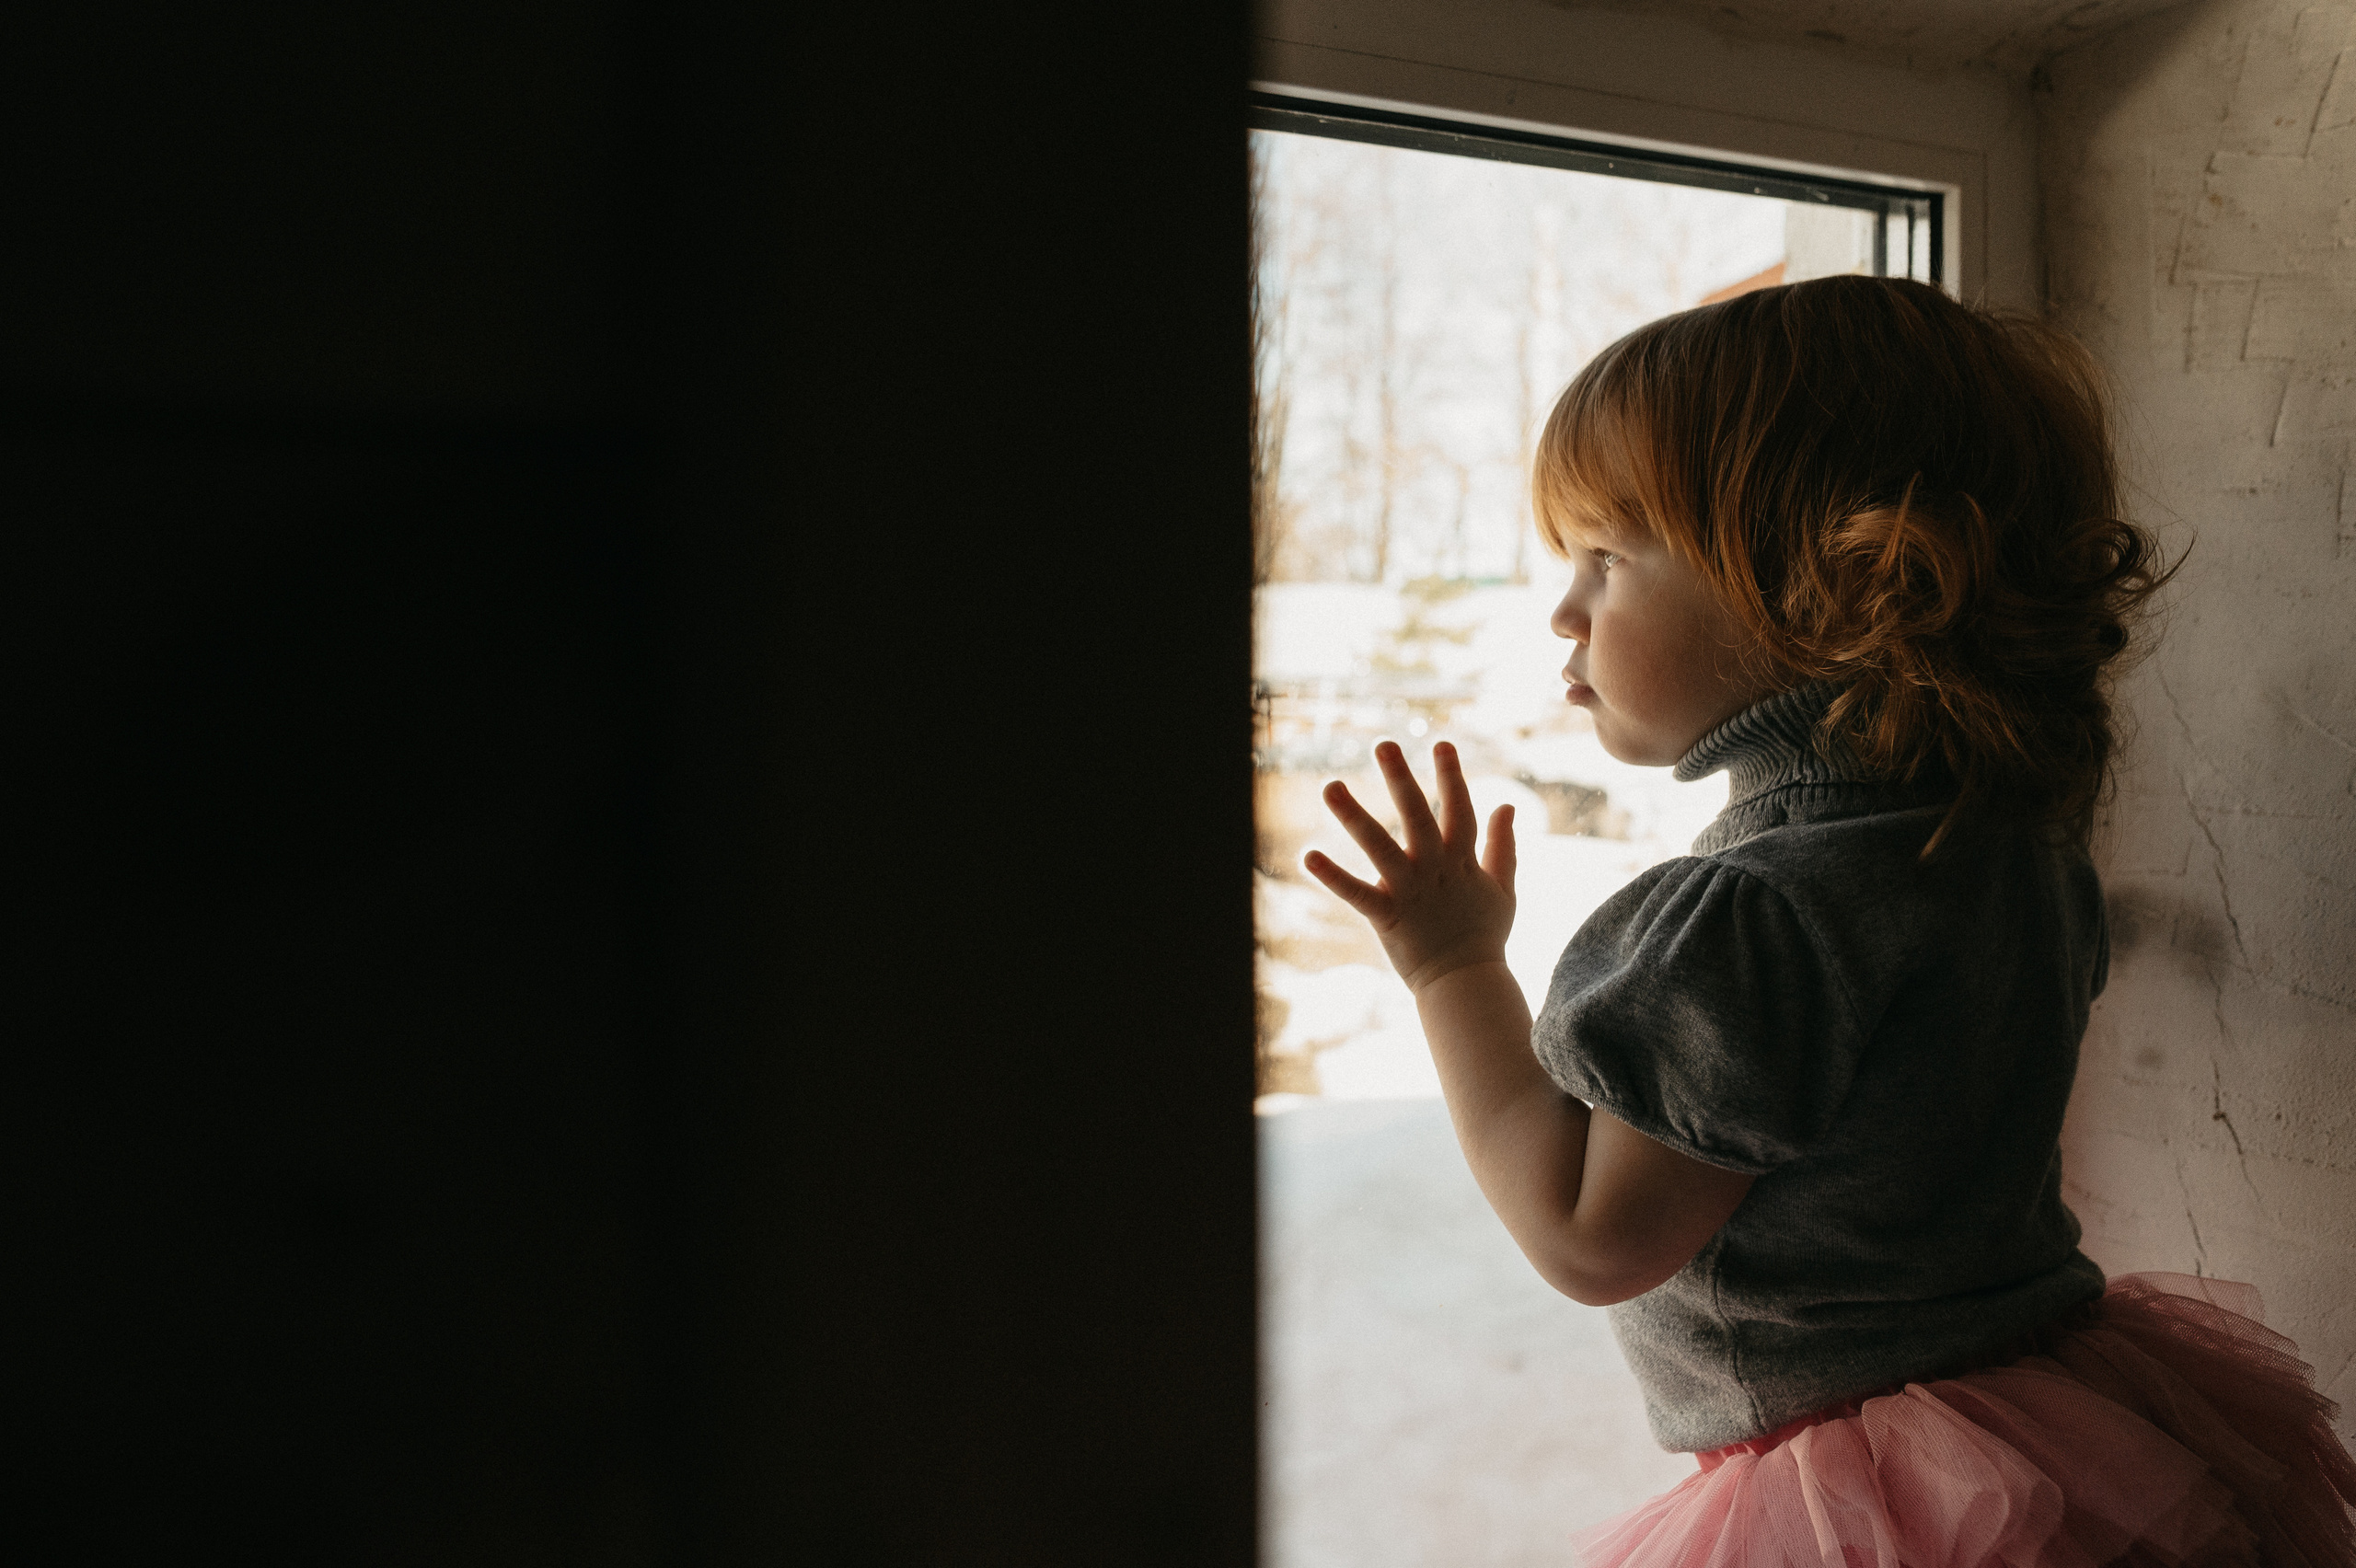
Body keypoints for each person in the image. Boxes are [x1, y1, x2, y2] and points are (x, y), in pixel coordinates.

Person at [1303, 276, 2356, 1566]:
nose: (1564, 610)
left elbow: (1589, 1235)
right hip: (2065, 1417)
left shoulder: (1754, 915)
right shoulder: (2001, 843)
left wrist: (1454, 962)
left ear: (1829, 583)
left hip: (1874, 1502)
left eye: (1608, 556)